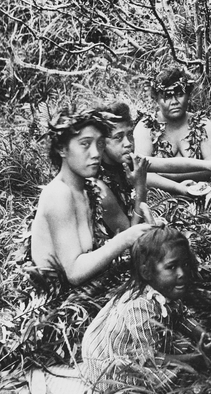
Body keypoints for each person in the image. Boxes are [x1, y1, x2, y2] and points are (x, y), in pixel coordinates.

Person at [81, 225, 211, 393]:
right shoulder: (139, 308)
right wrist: (195, 360)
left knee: (180, 350)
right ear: (147, 273)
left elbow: (180, 316)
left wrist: (201, 334)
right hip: (111, 362)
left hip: (143, 348)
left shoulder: (165, 289)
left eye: (185, 264)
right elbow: (149, 358)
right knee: (165, 384)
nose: (182, 272)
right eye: (171, 267)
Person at [30, 108, 152, 288]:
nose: (96, 153)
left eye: (100, 144)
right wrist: (124, 239)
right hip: (62, 304)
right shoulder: (58, 193)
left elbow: (132, 237)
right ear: (62, 149)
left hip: (91, 287)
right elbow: (74, 273)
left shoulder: (91, 190)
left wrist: (140, 190)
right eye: (85, 144)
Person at [133, 65, 211, 195]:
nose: (174, 102)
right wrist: (178, 187)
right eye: (167, 96)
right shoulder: (146, 127)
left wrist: (164, 174)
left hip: (203, 193)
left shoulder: (202, 124)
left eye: (179, 94)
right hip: (159, 200)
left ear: (188, 95)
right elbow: (143, 175)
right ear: (156, 99)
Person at [95, 101, 149, 236]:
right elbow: (132, 236)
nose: (128, 143)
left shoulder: (122, 161)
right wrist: (140, 187)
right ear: (102, 143)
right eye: (118, 137)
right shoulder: (99, 188)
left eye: (129, 135)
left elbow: (168, 164)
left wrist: (209, 165)